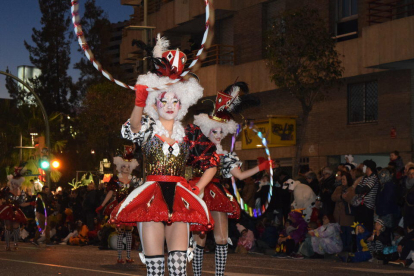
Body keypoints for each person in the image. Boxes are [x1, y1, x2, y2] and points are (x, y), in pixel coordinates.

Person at [111, 34, 218, 276]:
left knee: (179, 269)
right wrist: (138, 101)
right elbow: (133, 128)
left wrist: (199, 186)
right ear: (154, 103)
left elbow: (212, 160)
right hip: (150, 200)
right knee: (156, 270)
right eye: (163, 100)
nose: (169, 105)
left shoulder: (189, 133)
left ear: (182, 105)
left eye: (175, 101)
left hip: (180, 198)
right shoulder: (148, 129)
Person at [191, 82, 270, 276]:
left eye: (221, 132)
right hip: (198, 192)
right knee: (199, 238)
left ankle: (219, 274)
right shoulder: (196, 150)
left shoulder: (226, 155)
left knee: (221, 238)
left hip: (217, 193)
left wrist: (261, 167)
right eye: (214, 131)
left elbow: (240, 175)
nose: (218, 135)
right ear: (207, 130)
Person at [97, 149, 139, 263]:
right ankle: (120, 257)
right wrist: (102, 205)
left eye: (128, 166)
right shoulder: (115, 180)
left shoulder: (134, 180)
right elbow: (110, 193)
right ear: (120, 167)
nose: (125, 168)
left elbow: (139, 193)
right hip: (119, 209)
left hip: (130, 208)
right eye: (123, 166)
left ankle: (129, 257)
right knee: (120, 233)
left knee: (129, 233)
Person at [0, 167, 33, 251]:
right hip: (7, 210)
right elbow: (2, 200)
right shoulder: (6, 191)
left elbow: (22, 204)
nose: (16, 185)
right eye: (14, 183)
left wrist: (31, 203)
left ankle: (15, 244)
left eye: (17, 184)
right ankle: (7, 245)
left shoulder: (21, 193)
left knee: (16, 226)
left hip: (16, 210)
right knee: (8, 227)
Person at [354, 160, 379, 233]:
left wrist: (361, 189)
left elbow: (365, 189)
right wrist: (361, 189)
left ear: (368, 168)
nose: (363, 168)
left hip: (368, 207)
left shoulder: (374, 177)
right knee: (358, 227)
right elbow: (357, 190)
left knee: (367, 229)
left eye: (364, 166)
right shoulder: (364, 178)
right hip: (361, 205)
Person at [331, 171, 355, 252]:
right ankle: (342, 249)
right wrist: (341, 196)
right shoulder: (338, 188)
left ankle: (348, 250)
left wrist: (345, 197)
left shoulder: (351, 189)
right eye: (342, 179)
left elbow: (352, 200)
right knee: (341, 234)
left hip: (347, 215)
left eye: (344, 179)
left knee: (348, 233)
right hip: (339, 215)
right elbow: (333, 197)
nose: (343, 181)